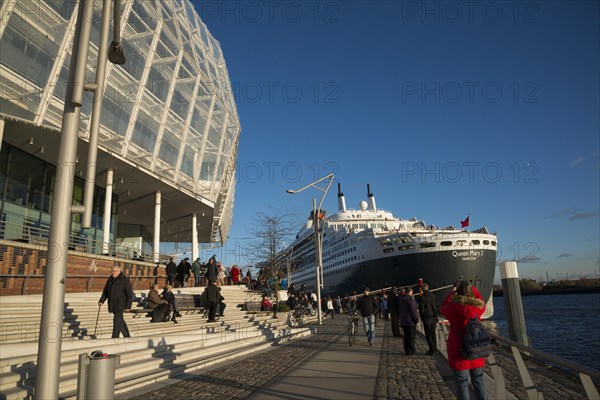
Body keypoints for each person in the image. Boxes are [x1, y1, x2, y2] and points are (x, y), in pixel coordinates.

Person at [441, 281, 488, 400]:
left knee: (462, 384)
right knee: (479, 380)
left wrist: (452, 292)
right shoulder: (478, 308)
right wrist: (473, 289)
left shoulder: (451, 307)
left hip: (459, 350)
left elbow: (443, 308)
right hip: (476, 349)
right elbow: (481, 300)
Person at [99, 266, 133, 338]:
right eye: (112, 271)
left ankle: (114, 337)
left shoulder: (125, 280)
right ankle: (127, 336)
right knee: (120, 321)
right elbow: (105, 291)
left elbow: (130, 294)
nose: (112, 273)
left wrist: (128, 306)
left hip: (121, 304)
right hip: (112, 304)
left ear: (119, 271)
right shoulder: (110, 279)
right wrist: (101, 301)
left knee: (116, 320)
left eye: (114, 271)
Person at [418, 283, 439, 355]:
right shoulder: (433, 296)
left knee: (428, 334)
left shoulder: (422, 297)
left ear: (422, 289)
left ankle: (431, 350)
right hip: (433, 318)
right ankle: (435, 349)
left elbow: (421, 309)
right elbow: (437, 306)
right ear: (428, 288)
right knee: (433, 334)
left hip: (426, 319)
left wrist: (422, 317)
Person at [398, 287, 419, 355]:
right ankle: (412, 350)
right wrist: (416, 319)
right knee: (411, 337)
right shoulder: (410, 299)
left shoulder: (400, 298)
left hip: (403, 320)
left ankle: (406, 350)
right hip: (410, 320)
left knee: (406, 336)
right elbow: (413, 310)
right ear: (410, 292)